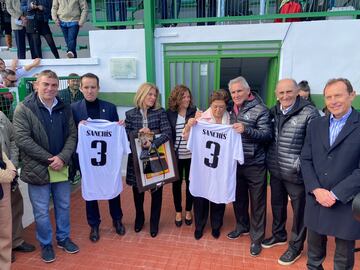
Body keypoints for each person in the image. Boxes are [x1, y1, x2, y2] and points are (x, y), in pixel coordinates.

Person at [13, 70, 78, 263]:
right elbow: (22, 139)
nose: (50, 88)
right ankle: (46, 243)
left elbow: (72, 135)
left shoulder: (65, 108)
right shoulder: (24, 109)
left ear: (58, 87)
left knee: (64, 205)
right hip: (38, 168)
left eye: (54, 85)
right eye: (45, 84)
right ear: (36, 85)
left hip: (61, 166)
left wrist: (63, 157)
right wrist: (51, 159)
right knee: (41, 210)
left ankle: (63, 239)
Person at [301, 78, 360, 270]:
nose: (333, 101)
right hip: (316, 198)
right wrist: (316, 189)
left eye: (338, 95)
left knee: (343, 257)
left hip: (345, 200)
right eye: (328, 97)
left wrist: (335, 194)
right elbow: (306, 159)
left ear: (352, 95)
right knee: (314, 253)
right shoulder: (316, 125)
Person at [262, 79, 320, 266]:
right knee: (277, 205)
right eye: (281, 93)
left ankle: (295, 246)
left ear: (297, 92)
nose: (285, 96)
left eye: (289, 92)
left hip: (296, 173)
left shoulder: (309, 113)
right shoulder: (273, 111)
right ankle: (279, 235)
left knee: (299, 212)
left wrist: (299, 164)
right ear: (276, 94)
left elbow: (313, 145)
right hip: (276, 170)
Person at [72, 73, 126, 242]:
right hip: (87, 160)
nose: (90, 91)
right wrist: (78, 127)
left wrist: (119, 126)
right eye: (86, 87)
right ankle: (94, 225)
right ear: (81, 88)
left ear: (98, 88)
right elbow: (71, 134)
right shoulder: (73, 109)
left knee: (112, 187)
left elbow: (114, 133)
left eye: (93, 87)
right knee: (90, 190)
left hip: (107, 159)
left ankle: (117, 219)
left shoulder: (109, 108)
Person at [226, 76, 272, 257]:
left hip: (255, 164)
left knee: (258, 202)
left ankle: (256, 238)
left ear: (247, 91)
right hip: (235, 162)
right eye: (233, 92)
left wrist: (246, 129)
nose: (236, 95)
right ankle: (242, 226)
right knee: (238, 198)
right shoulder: (230, 110)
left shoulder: (261, 109)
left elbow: (267, 135)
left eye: (239, 91)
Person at [183, 89, 234, 240]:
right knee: (201, 197)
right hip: (202, 167)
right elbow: (186, 139)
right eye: (215, 106)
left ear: (226, 106)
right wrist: (189, 125)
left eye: (221, 107)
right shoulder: (201, 119)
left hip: (220, 167)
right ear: (210, 105)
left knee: (218, 196)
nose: (218, 110)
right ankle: (199, 226)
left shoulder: (230, 120)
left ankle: (216, 226)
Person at [125, 82, 171, 238]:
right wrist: (138, 133)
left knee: (156, 191)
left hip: (154, 157)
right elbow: (126, 136)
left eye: (154, 95)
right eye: (149, 94)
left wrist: (151, 139)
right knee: (138, 192)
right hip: (136, 159)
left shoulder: (160, 112)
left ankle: (154, 222)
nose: (152, 98)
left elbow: (167, 133)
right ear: (142, 95)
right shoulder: (130, 114)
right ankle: (139, 217)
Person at [0, 110, 36, 263]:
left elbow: (14, 138)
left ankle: (14, 242)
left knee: (15, 207)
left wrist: (12, 164)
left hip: (9, 173)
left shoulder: (1, 116)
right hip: (3, 174)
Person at [166, 85, 196, 227]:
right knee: (176, 185)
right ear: (176, 98)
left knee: (191, 184)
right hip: (176, 156)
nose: (187, 99)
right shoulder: (169, 113)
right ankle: (178, 211)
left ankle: (189, 210)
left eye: (188, 96)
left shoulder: (195, 112)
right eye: (183, 96)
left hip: (192, 156)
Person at [0, 149, 17, 270]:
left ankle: (4, 266)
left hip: (2, 188)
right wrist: (9, 174)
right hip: (4, 179)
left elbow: (3, 156)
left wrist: (11, 169)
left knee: (5, 231)